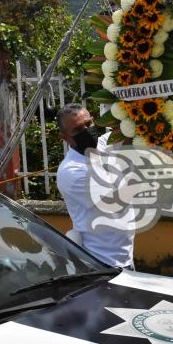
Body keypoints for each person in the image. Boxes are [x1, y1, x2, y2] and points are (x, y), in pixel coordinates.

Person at [56, 104, 135, 269]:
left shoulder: (103, 144)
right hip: (99, 263)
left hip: (126, 257)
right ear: (64, 137)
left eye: (88, 124)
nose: (87, 131)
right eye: (78, 130)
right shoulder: (71, 172)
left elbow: (130, 126)